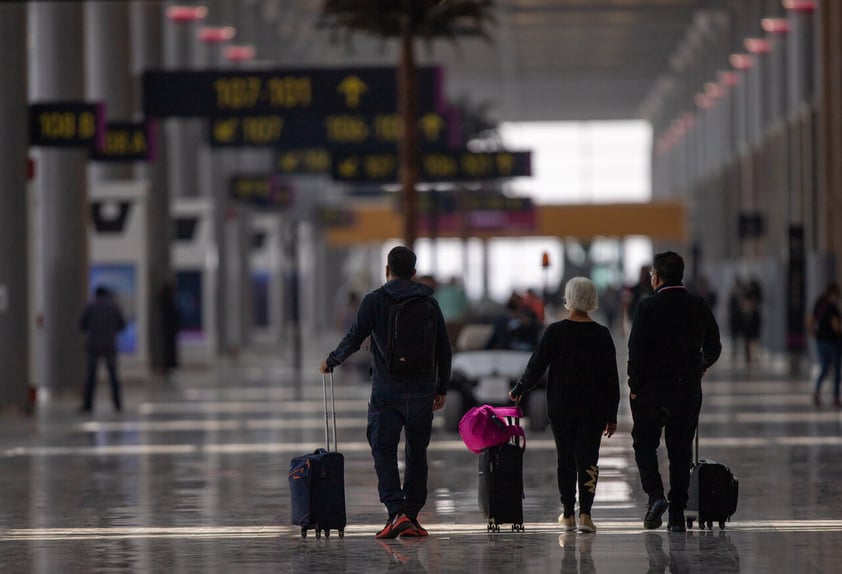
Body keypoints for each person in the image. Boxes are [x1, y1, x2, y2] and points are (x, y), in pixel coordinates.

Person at [319, 246, 452, 539]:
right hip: (422, 391)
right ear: (414, 273)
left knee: (383, 451)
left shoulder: (374, 301)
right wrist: (441, 388)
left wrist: (332, 360)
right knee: (417, 453)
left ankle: (396, 512)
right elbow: (444, 347)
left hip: (386, 391)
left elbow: (355, 338)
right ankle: (412, 516)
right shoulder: (429, 302)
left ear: (386, 270)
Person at [508, 277, 619, 533]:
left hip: (560, 407)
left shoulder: (555, 332)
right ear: (593, 299)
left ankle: (567, 513)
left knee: (566, 459)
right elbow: (611, 379)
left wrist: (519, 389)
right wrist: (611, 415)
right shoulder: (602, 335)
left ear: (568, 298)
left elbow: (536, 366)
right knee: (589, 459)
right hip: (593, 409)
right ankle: (586, 516)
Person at [627, 251, 721, 533]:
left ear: (656, 276)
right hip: (687, 390)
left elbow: (636, 352)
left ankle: (655, 497)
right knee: (680, 451)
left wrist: (634, 387)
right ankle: (678, 514)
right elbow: (714, 347)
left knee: (644, 444)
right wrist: (700, 365)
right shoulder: (698, 305)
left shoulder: (646, 307)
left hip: (652, 391)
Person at [79, 285, 127, 413]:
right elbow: (122, 325)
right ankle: (117, 404)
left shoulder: (90, 307)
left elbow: (82, 325)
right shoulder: (114, 307)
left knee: (91, 377)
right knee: (113, 376)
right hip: (109, 345)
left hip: (93, 346)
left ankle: (88, 405)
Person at [807, 282, 842, 407]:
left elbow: (810, 320)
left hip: (820, 341)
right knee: (837, 371)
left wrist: (815, 334)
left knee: (824, 368)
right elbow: (836, 325)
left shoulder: (819, 303)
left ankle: (816, 391)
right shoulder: (832, 307)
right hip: (833, 342)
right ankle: (836, 397)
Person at [157, 280, 181, 377]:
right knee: (169, 348)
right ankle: (169, 365)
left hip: (168, 329)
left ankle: (168, 365)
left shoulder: (168, 303)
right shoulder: (170, 302)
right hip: (170, 329)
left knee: (168, 348)